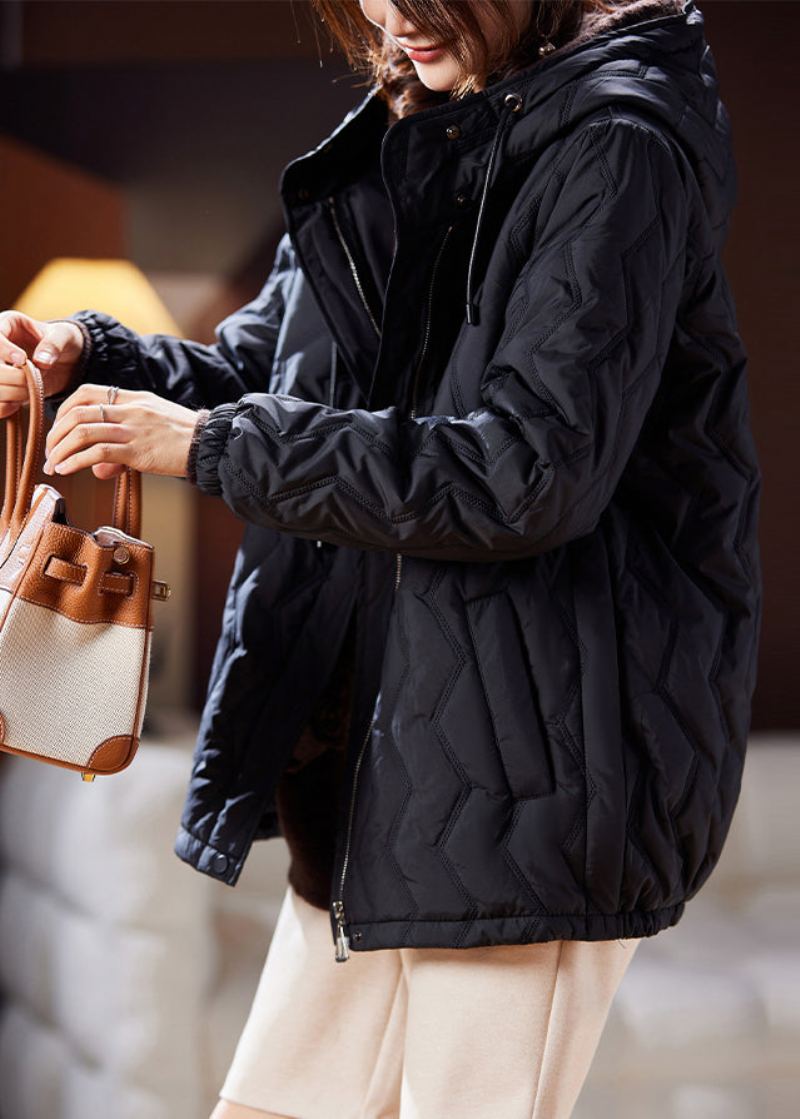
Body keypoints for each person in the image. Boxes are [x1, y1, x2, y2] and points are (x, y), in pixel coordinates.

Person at [0, 1, 762, 1116]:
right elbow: (270, 374)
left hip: (531, 786)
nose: (391, 14)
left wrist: (210, 445)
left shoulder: (617, 146)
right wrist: (87, 361)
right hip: (375, 775)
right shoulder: (425, 120)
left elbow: (526, 473)